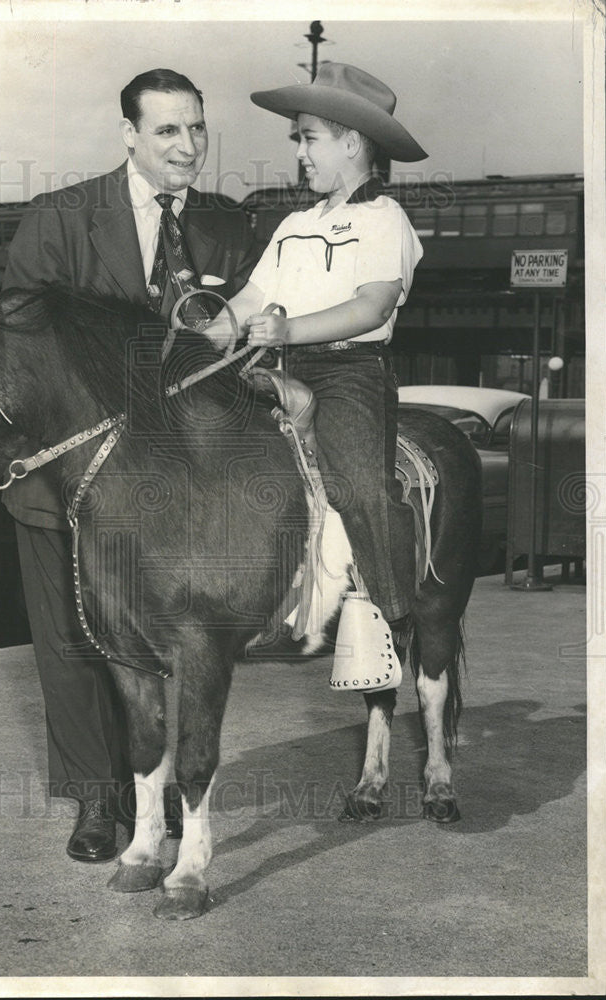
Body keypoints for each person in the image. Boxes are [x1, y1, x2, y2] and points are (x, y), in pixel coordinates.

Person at [1, 69, 258, 863]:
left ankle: (165, 793)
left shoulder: (225, 227)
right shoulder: (61, 218)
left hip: (174, 485)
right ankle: (94, 801)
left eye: (197, 130)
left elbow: (238, 345)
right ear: (128, 135)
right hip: (64, 483)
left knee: (170, 644)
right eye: (168, 132)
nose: (187, 147)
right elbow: (20, 344)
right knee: (76, 643)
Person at [205, 62, 426, 638]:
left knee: (357, 484)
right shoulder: (294, 223)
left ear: (352, 142)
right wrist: (194, 345)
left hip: (350, 371)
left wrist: (288, 330)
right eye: (298, 138)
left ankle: (396, 613)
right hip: (282, 365)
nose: (300, 151)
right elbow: (253, 297)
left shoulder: (384, 220)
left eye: (309, 138)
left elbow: (372, 307)